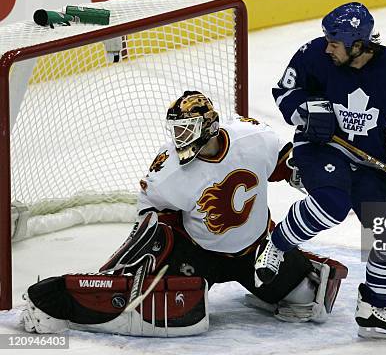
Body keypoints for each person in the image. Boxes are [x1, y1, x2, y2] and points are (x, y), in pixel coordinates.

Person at [21, 91, 347, 337]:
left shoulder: (254, 137)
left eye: (187, 130)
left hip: (256, 250)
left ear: (210, 125)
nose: (180, 138)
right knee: (178, 314)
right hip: (197, 253)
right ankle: (64, 298)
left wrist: (321, 180)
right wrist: (148, 250)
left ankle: (271, 279)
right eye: (177, 130)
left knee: (308, 297)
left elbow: (284, 165)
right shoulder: (169, 169)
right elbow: (150, 214)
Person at [254, 2, 386, 340]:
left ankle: (373, 310)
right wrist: (310, 110)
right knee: (331, 204)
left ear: (359, 45)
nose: (327, 47)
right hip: (321, 147)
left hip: (369, 159)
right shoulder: (313, 56)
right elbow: (285, 91)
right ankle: (276, 245)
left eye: (335, 43)